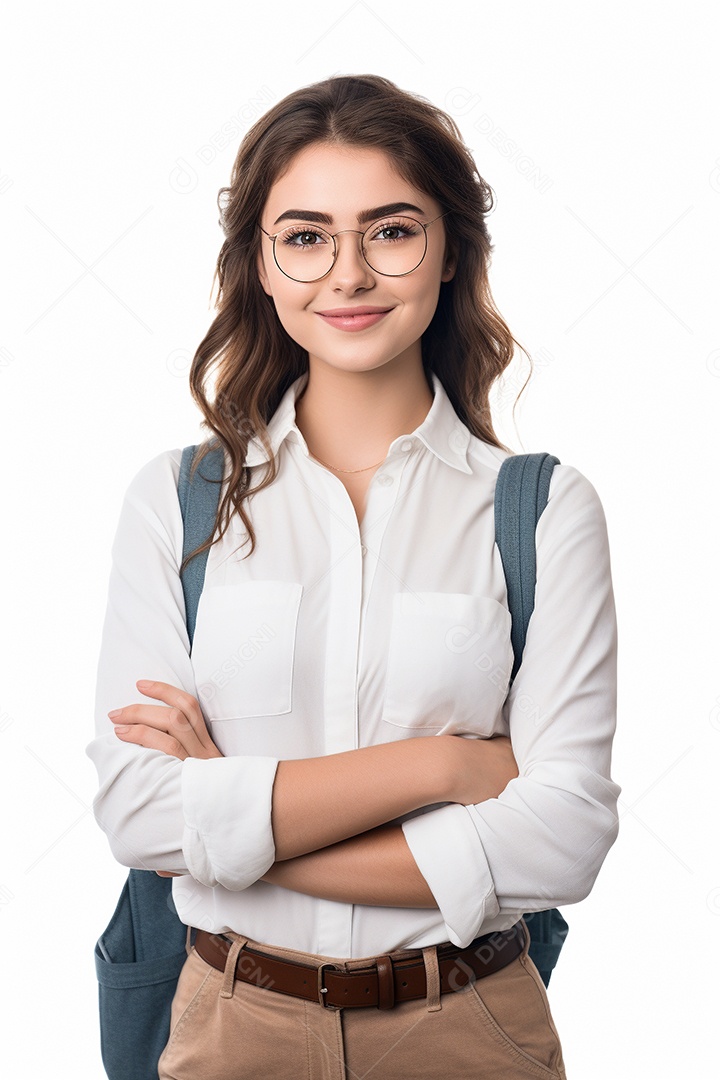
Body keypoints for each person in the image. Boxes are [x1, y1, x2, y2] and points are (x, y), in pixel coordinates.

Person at [87, 73, 620, 1079]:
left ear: (451, 250)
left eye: (392, 232)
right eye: (306, 237)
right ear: (261, 262)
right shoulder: (176, 502)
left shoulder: (543, 510)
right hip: (231, 1025)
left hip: (468, 1026)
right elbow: (140, 814)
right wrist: (441, 770)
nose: (349, 275)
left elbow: (564, 839)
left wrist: (231, 830)